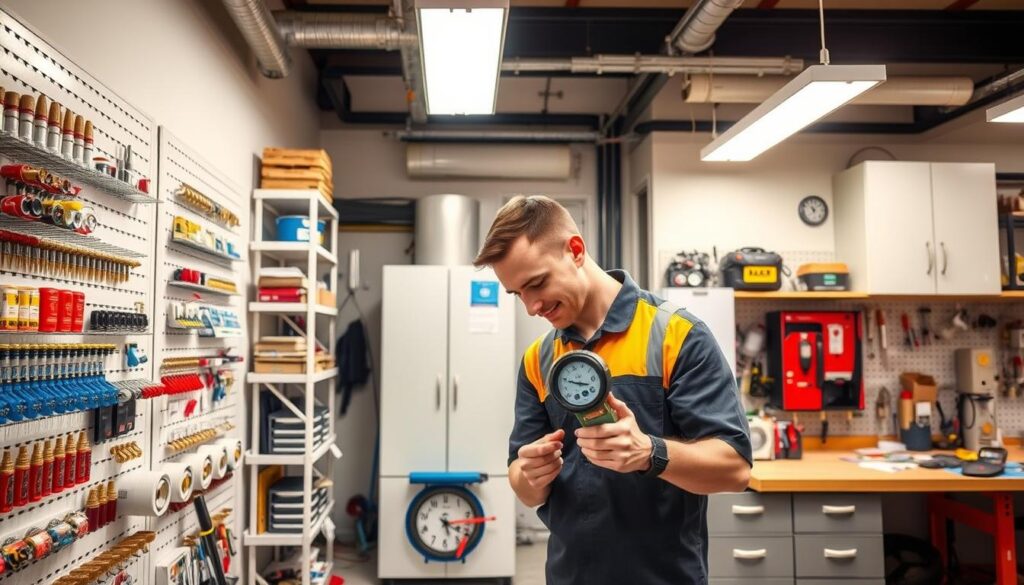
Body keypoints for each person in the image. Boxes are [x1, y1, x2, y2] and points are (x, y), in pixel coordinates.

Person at [473, 195, 752, 585]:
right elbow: (521, 482)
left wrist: (648, 453)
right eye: (517, 293)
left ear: (575, 250)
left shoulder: (676, 335)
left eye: (536, 283)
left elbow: (735, 469)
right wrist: (531, 474)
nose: (531, 307)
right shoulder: (539, 360)